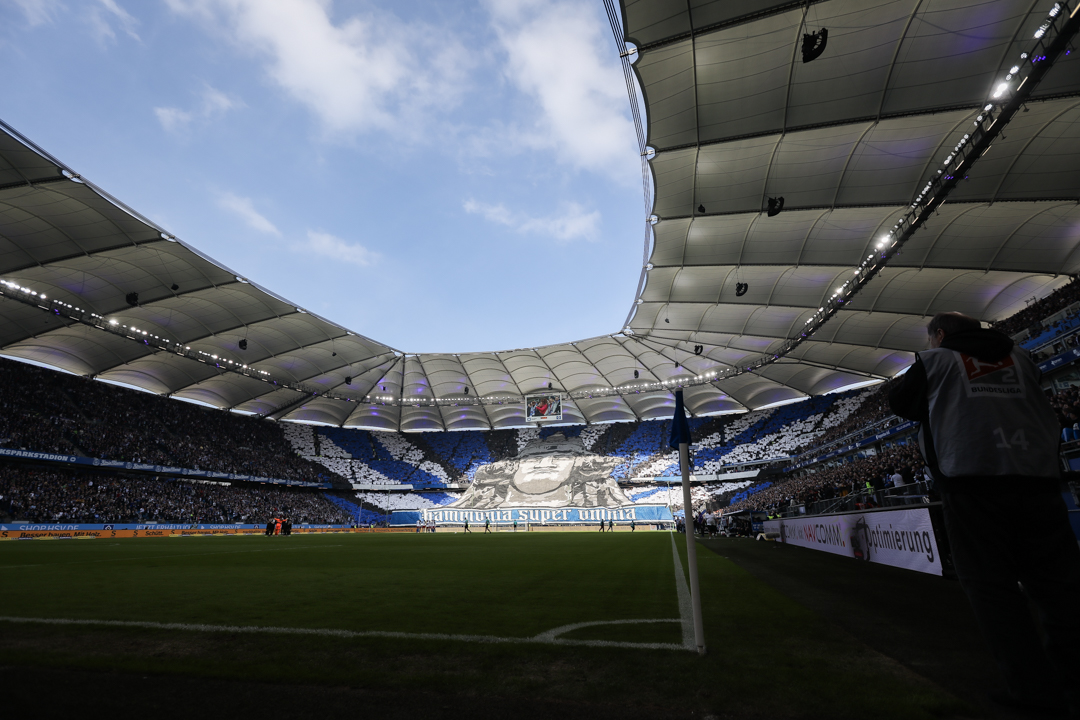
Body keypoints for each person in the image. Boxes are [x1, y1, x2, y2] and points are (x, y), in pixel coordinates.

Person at [889, 311, 1080, 716]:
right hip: (1038, 479)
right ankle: (1074, 679)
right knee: (1059, 588)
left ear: (939, 335)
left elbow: (901, 404)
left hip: (972, 482)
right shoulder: (1022, 355)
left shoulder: (935, 361)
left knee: (994, 592)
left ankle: (1031, 690)